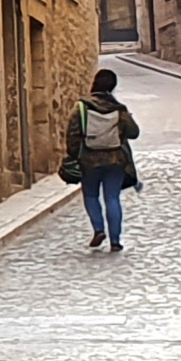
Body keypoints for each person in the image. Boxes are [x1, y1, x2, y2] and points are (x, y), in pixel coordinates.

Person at [68, 69, 142, 251]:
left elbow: (72, 134)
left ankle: (99, 229)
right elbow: (134, 133)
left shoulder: (81, 108)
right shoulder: (118, 109)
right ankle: (115, 241)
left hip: (89, 160)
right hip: (115, 160)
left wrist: (73, 156)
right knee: (112, 198)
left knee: (91, 195)